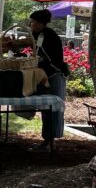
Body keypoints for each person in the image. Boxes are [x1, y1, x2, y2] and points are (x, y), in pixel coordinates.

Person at [17, 9, 70, 151]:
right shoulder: (39, 34)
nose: (30, 24)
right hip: (45, 75)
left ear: (40, 23)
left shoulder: (49, 36)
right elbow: (29, 44)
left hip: (53, 76)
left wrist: (36, 61)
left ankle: (49, 142)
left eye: (33, 22)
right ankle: (47, 141)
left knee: (51, 110)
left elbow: (49, 59)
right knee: (46, 109)